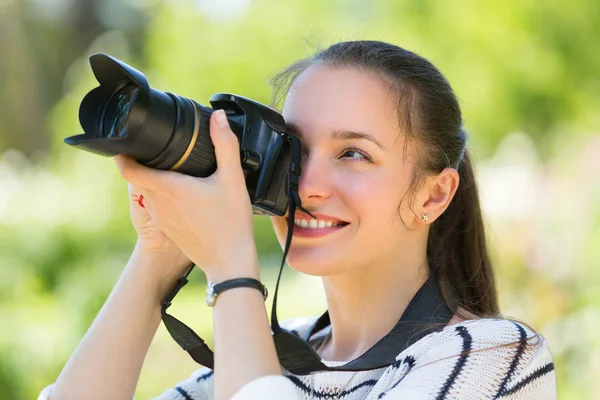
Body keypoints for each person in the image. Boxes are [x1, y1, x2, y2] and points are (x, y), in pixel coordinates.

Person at [39, 41, 556, 400]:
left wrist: (231, 267)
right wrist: (158, 255)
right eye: (295, 151)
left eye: (353, 153)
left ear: (434, 193)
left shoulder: (492, 356)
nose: (307, 185)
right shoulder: (270, 362)